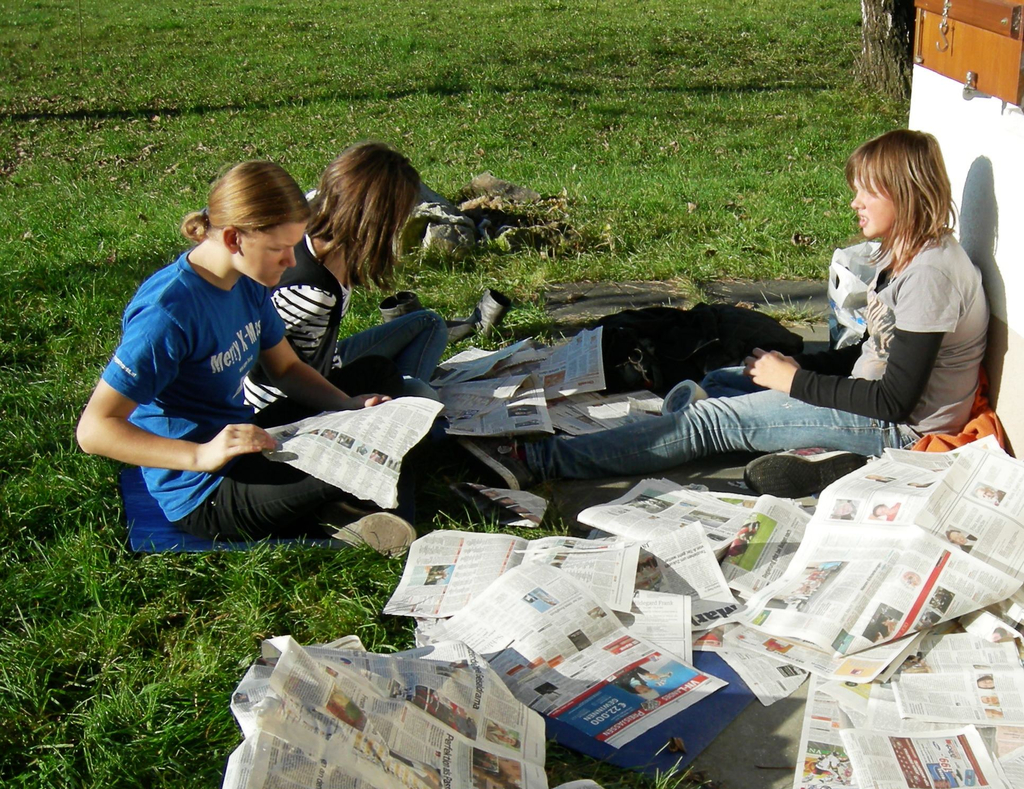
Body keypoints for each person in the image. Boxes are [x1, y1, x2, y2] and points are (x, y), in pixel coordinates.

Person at [462, 130, 989, 498]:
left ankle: (535, 462)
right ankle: (816, 454)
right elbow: (872, 353)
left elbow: (894, 401)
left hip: (895, 431)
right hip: (867, 401)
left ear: (904, 191)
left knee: (710, 421)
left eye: (866, 191)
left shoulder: (932, 276)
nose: (855, 202)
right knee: (722, 378)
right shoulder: (905, 254)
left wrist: (794, 382)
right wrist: (800, 367)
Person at [76, 160, 418, 551]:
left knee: (378, 375)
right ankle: (345, 512)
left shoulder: (247, 281)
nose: (291, 261)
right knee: (363, 461)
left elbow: (286, 369)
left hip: (248, 437)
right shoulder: (167, 316)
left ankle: (339, 509)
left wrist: (347, 404)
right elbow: (94, 430)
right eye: (279, 249)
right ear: (233, 239)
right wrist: (201, 455)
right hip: (207, 490)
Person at [243, 142, 448, 411]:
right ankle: (402, 398)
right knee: (421, 394)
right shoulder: (312, 293)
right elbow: (268, 366)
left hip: (326, 359)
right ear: (379, 219)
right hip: (291, 401)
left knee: (429, 323)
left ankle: (400, 388)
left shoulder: (314, 212)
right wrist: (347, 400)